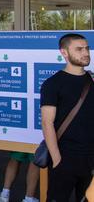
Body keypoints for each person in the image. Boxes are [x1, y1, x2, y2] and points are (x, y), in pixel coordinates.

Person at [40, 33, 94, 202]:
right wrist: (57, 159)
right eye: (79, 49)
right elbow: (47, 123)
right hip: (65, 158)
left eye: (86, 48)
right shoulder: (53, 84)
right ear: (64, 52)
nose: (85, 53)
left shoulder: (92, 81)